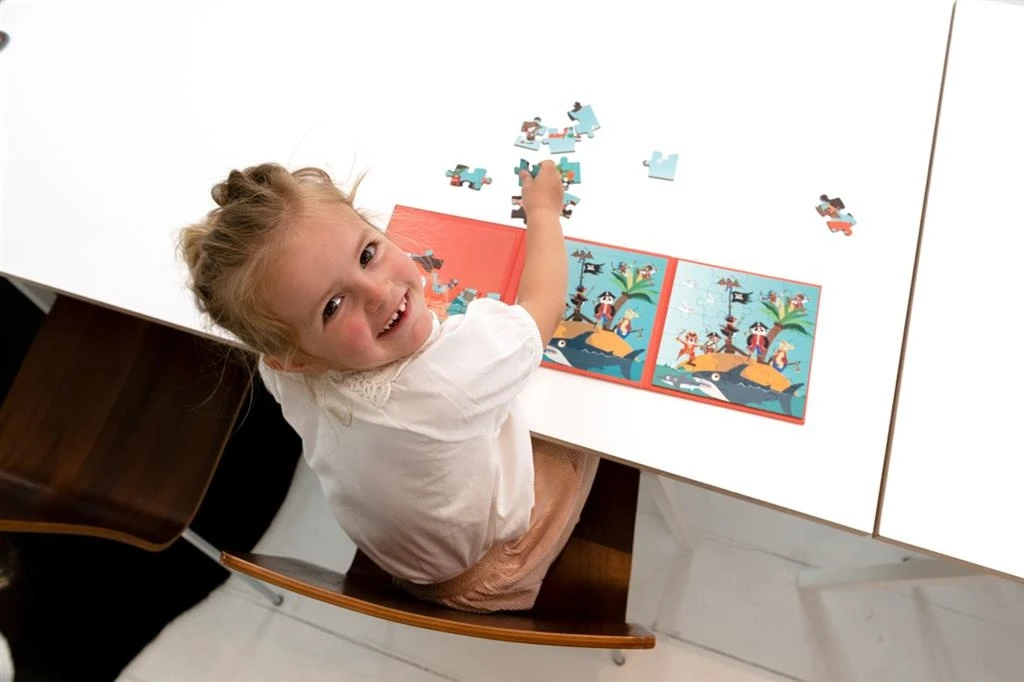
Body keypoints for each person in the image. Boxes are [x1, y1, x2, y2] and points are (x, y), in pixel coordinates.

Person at [178, 161, 598, 612]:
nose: (378, 293)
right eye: (333, 306)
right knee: (585, 422)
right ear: (297, 359)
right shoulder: (448, 380)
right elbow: (543, 305)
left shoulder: (281, 368)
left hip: (404, 559)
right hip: (494, 571)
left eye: (367, 255)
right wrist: (543, 210)